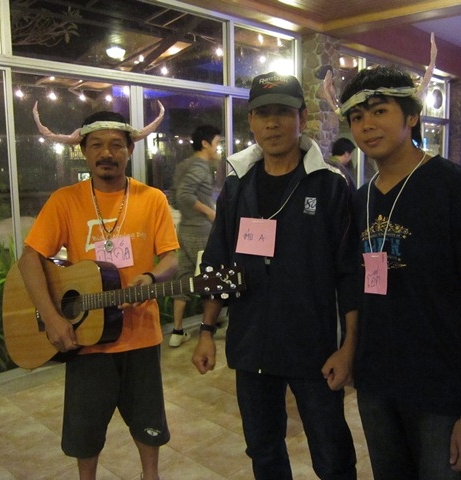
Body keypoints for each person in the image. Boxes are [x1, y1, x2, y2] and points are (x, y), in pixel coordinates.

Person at [339, 65, 461, 480]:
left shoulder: (458, 189)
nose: (367, 125)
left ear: (412, 116)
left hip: (444, 393)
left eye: (380, 111)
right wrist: (349, 350)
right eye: (357, 117)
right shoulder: (361, 199)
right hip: (377, 386)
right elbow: (360, 289)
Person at [192, 72, 359, 479]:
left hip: (315, 347)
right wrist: (206, 331)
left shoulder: (330, 184)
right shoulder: (238, 184)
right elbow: (218, 261)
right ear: (250, 120)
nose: (272, 123)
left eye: (283, 112)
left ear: (302, 117)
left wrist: (349, 347)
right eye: (262, 113)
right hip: (252, 344)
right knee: (263, 451)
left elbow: (350, 272)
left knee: (333, 456)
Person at [19, 109, 179, 480]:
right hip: (86, 338)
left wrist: (151, 276)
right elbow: (30, 259)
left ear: (130, 150)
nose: (106, 153)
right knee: (85, 432)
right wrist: (53, 317)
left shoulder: (152, 198)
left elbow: (171, 258)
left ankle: (150, 476)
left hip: (141, 335)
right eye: (97, 145)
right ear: (84, 151)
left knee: (149, 423)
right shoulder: (65, 200)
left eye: (116, 145)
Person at [169, 124, 221, 347]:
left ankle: (177, 331)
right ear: (205, 144)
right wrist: (209, 212)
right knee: (211, 279)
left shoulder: (183, 165)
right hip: (200, 231)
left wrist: (187, 213)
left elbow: (174, 197)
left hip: (184, 230)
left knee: (183, 278)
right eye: (217, 143)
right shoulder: (200, 166)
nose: (218, 148)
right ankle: (208, 328)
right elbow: (184, 194)